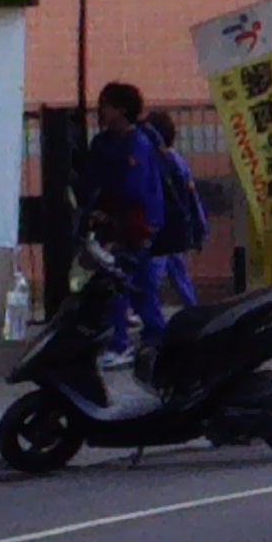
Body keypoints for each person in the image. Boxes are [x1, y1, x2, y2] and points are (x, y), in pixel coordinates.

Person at [76, 81, 167, 368]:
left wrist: (107, 212)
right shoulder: (106, 143)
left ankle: (122, 342)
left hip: (135, 228)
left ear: (122, 109)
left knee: (119, 283)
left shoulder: (138, 145)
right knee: (138, 286)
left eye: (107, 105)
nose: (101, 110)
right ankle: (155, 339)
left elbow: (134, 189)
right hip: (121, 227)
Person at [143, 110, 206, 314]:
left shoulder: (153, 162)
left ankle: (153, 324)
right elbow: (192, 198)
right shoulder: (177, 161)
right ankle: (194, 312)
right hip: (178, 228)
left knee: (149, 281)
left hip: (160, 230)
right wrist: (199, 229)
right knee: (179, 274)